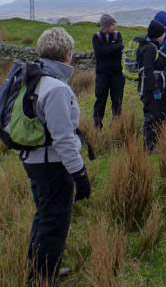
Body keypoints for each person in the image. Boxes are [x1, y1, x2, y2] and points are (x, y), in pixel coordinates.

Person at [22, 27, 91, 286]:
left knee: (44, 215)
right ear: (67, 55)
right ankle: (43, 279)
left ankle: (40, 269)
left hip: (35, 160)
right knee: (54, 222)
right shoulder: (56, 88)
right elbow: (63, 138)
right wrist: (80, 174)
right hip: (52, 165)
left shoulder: (36, 78)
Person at [137, 20, 166, 153]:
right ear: (158, 35)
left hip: (157, 85)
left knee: (162, 109)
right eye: (163, 34)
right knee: (151, 115)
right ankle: (149, 147)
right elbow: (148, 69)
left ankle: (155, 137)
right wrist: (154, 88)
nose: (164, 36)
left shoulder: (152, 46)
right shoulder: (149, 48)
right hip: (150, 88)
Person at [92, 13, 124, 128]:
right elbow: (99, 54)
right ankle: (97, 127)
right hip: (102, 75)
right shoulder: (96, 37)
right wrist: (114, 49)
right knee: (100, 100)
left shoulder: (117, 35)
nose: (115, 27)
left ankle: (116, 126)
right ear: (106, 26)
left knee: (117, 100)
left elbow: (120, 48)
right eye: (113, 25)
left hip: (117, 74)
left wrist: (107, 51)